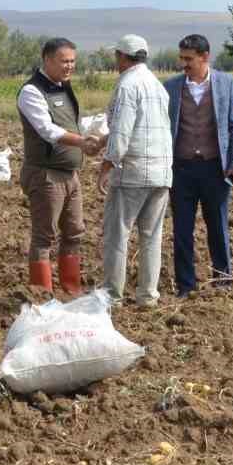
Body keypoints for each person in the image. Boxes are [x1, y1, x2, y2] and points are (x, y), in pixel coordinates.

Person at [163, 34, 233, 297]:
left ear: (205, 57)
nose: (184, 64)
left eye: (189, 59)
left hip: (215, 168)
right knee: (182, 231)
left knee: (218, 227)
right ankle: (186, 286)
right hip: (182, 170)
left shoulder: (226, 83)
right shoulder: (171, 87)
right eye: (182, 58)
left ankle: (222, 281)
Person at [16, 37, 100, 294]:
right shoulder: (31, 91)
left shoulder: (64, 87)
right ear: (48, 60)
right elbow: (46, 129)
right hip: (46, 175)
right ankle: (43, 296)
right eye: (64, 61)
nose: (69, 66)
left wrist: (98, 136)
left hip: (70, 174)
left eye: (73, 61)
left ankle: (70, 291)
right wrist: (81, 142)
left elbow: (75, 123)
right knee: (45, 236)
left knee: (74, 232)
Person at [97, 34, 172, 306]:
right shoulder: (157, 86)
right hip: (161, 172)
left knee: (118, 234)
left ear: (123, 57)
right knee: (152, 237)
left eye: (116, 55)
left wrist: (106, 165)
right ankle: (147, 296)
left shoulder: (127, 85)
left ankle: (112, 296)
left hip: (132, 172)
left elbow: (122, 131)